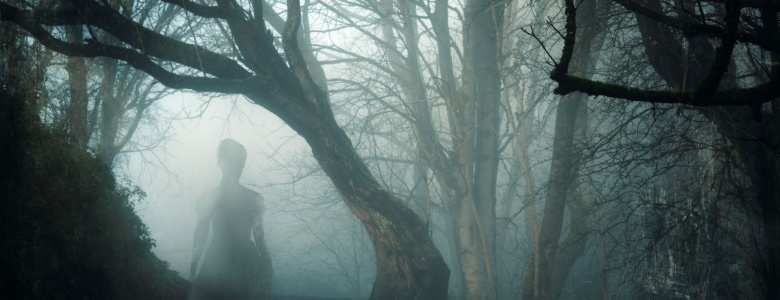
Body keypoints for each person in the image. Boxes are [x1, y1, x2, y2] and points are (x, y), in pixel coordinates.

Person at [190, 139, 272, 299]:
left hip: (220, 260)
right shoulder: (253, 198)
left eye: (240, 162)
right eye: (238, 162)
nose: (239, 167)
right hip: (243, 262)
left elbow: (201, 235)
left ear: (219, 163)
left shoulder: (209, 197)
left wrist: (193, 266)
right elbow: (259, 238)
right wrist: (267, 265)